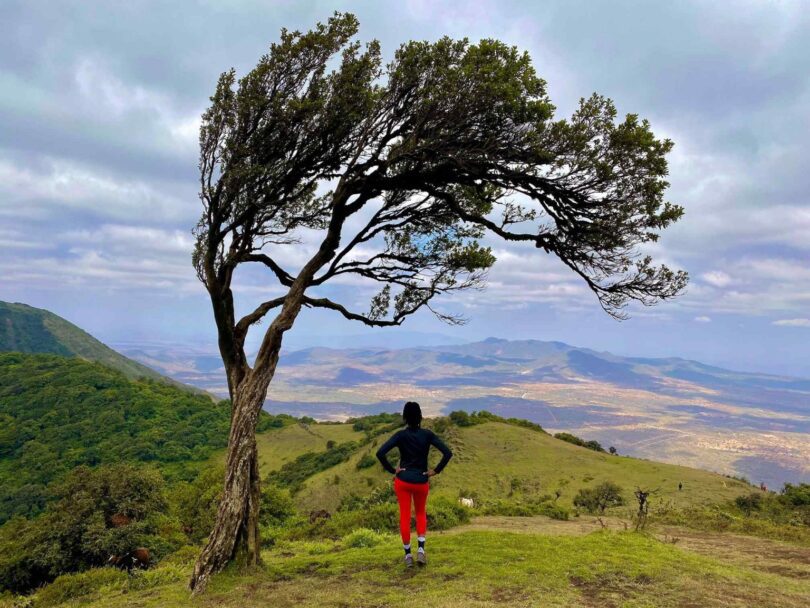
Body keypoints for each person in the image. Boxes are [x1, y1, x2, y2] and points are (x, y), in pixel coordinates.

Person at [376, 401, 453, 567]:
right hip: (421, 481)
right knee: (420, 513)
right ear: (420, 416)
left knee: (404, 515)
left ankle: (408, 555)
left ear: (404, 417)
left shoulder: (400, 435)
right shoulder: (427, 434)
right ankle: (421, 551)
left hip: (403, 481)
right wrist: (435, 470)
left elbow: (380, 453)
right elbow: (448, 453)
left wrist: (392, 470)